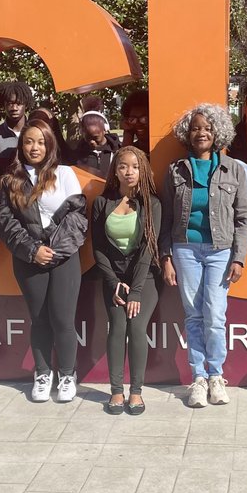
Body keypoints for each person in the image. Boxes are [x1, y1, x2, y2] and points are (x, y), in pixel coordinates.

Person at [161, 103, 247, 407]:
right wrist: (166, 257)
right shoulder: (175, 170)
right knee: (194, 315)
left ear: (218, 133)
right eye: (196, 127)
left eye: (208, 128)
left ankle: (216, 375)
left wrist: (239, 257)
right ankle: (198, 378)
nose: (201, 133)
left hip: (220, 252)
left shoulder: (233, 169)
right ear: (188, 133)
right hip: (184, 249)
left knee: (215, 315)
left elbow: (243, 217)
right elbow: (166, 218)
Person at [0, 118, 87, 403]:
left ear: (50, 145)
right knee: (39, 319)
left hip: (64, 259)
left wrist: (52, 250)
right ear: (21, 145)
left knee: (62, 318)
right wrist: (32, 249)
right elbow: (5, 222)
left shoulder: (65, 173)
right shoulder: (11, 181)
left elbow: (77, 218)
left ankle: (68, 375)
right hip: (28, 259)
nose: (34, 147)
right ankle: (43, 373)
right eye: (28, 141)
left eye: (41, 142)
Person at [91, 146, 162, 416]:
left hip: (145, 277)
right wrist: (113, 282)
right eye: (123, 166)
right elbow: (97, 247)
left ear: (142, 169)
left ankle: (136, 391)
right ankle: (117, 390)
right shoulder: (102, 202)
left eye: (134, 166)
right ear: (115, 170)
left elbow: (148, 248)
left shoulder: (152, 203)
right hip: (113, 278)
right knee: (117, 327)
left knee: (136, 326)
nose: (129, 171)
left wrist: (136, 291)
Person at [0, 81, 34, 171]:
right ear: (3, 104)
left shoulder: (37, 133)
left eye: (19, 103)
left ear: (26, 104)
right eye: (10, 103)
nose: (14, 108)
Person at [70, 109, 121, 175]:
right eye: (88, 138)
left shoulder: (117, 151)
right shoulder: (78, 154)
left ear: (105, 130)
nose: (92, 142)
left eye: (96, 138)